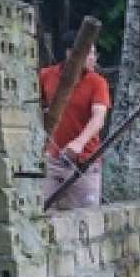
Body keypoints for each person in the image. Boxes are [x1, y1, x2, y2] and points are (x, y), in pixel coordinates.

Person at [39, 29, 111, 210]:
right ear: (70, 53)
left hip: (85, 161)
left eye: (95, 53)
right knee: (39, 211)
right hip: (52, 159)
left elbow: (99, 117)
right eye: (89, 53)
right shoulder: (46, 76)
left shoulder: (97, 82)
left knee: (87, 217)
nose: (93, 58)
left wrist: (79, 142)